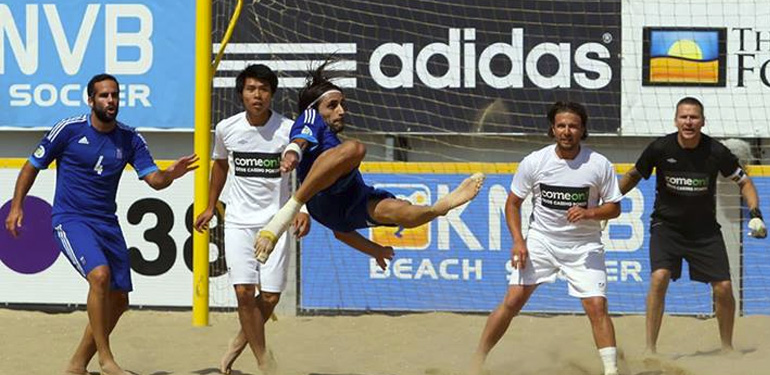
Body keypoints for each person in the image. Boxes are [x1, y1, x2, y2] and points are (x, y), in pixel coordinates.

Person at [4, 74, 198, 375]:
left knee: (119, 300)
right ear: (91, 99)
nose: (111, 101)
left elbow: (155, 181)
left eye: (115, 95)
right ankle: (106, 359)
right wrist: (17, 206)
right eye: (105, 95)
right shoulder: (68, 130)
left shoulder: (130, 138)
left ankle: (77, 364)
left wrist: (171, 173)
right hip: (70, 219)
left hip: (107, 222)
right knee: (100, 276)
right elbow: (32, 165)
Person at [253, 60, 486, 266]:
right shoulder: (310, 117)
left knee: (403, 211)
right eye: (333, 105)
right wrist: (293, 151)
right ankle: (289, 210)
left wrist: (375, 250)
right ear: (314, 108)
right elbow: (300, 139)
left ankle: (439, 208)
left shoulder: (333, 139)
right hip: (321, 200)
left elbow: (341, 232)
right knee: (356, 148)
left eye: (342, 103)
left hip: (350, 201)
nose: (341, 111)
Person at [471, 101, 623, 375]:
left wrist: (589, 213)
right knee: (513, 300)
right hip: (541, 241)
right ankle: (477, 360)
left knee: (597, 305)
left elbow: (615, 207)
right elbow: (512, 203)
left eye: (573, 126)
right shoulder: (535, 161)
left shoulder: (599, 164)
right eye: (561, 125)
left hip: (583, 246)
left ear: (583, 129)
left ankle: (611, 371)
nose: (567, 131)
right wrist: (519, 241)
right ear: (552, 129)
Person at [618, 96, 767, 354]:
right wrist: (605, 205)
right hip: (667, 227)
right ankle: (650, 349)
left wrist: (756, 213)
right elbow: (632, 175)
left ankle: (727, 348)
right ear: (676, 120)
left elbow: (744, 182)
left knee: (723, 287)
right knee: (659, 277)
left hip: (704, 231)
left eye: (694, 117)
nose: (688, 122)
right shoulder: (660, 148)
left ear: (702, 121)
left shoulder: (716, 151)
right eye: (684, 117)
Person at [193, 64, 309, 374]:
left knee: (269, 296)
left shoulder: (288, 129)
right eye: (251, 89)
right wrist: (209, 206)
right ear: (242, 94)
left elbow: (308, 172)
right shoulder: (227, 128)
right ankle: (263, 361)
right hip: (238, 221)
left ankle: (237, 344)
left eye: (263, 89)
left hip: (276, 223)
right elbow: (220, 166)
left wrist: (303, 209)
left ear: (271, 94)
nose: (257, 95)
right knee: (244, 292)